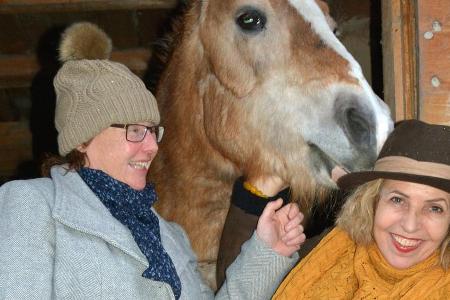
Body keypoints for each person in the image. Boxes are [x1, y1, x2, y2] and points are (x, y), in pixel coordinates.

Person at [0, 22, 305, 299]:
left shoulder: (170, 235)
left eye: (152, 131)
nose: (151, 146)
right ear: (83, 138)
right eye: (134, 131)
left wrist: (268, 249)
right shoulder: (34, 204)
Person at [273, 119, 450, 299]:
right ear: (372, 201)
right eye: (397, 199)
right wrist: (271, 255)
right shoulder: (321, 251)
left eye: (435, 208)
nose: (410, 226)